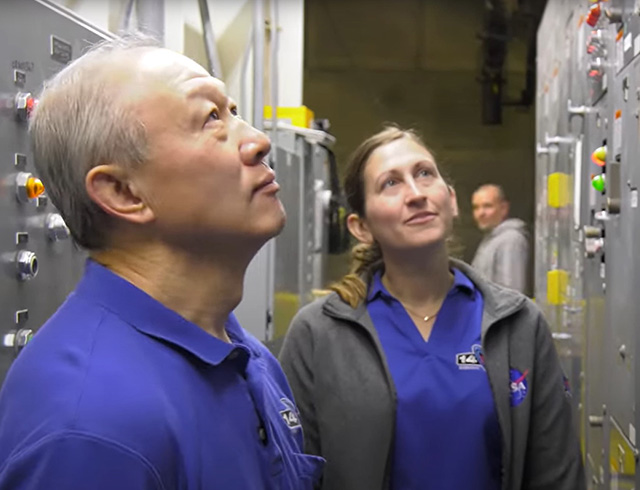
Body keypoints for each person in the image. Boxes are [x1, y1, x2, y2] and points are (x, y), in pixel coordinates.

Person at [0, 35, 323, 489]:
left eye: (233, 112)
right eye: (211, 118)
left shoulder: (248, 358)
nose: (258, 140)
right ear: (124, 193)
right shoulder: (88, 429)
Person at [279, 126, 585, 490]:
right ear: (361, 227)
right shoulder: (318, 334)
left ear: (451, 200)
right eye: (390, 183)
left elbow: (557, 473)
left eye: (424, 173)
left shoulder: (518, 324)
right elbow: (293, 475)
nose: (415, 194)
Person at [471, 184, 529, 293]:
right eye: (476, 207)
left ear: (503, 208)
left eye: (487, 206)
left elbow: (511, 293)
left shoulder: (510, 240)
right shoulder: (490, 239)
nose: (480, 213)